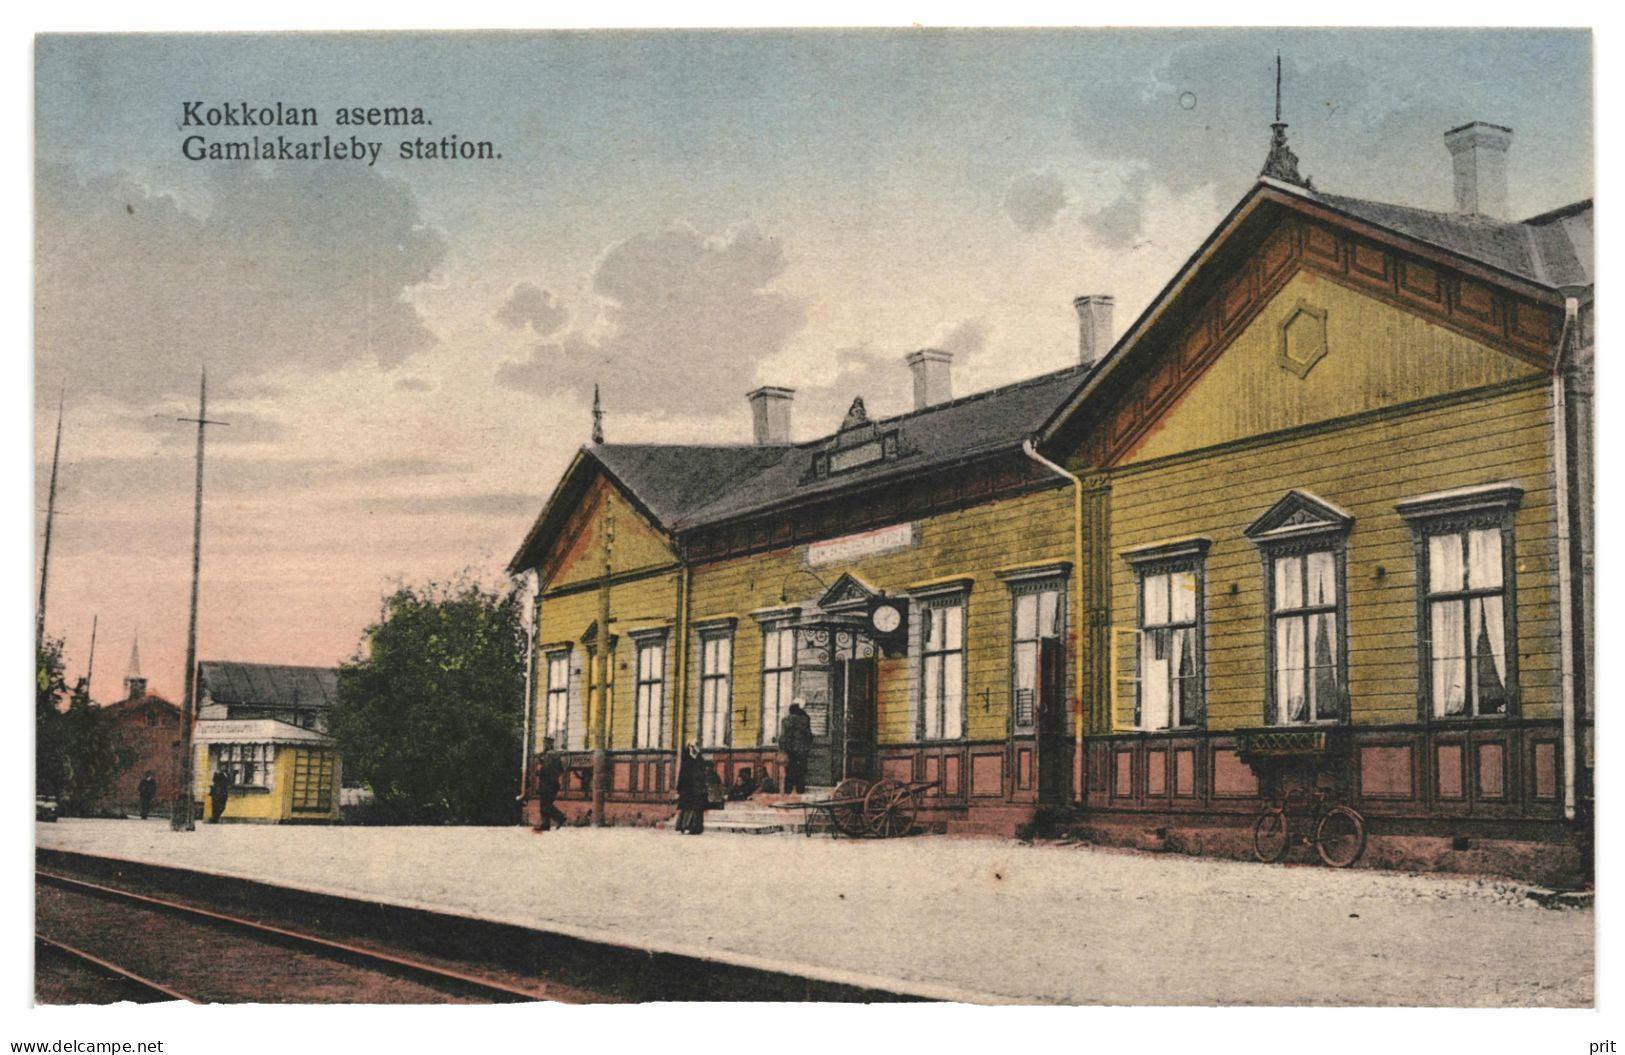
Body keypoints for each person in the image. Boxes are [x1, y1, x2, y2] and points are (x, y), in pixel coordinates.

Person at [778, 700, 814, 794]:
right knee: (801, 772)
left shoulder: (786, 720)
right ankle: (800, 792)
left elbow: (783, 737)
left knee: (789, 772)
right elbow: (809, 736)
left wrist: (782, 750)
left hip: (790, 751)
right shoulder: (805, 719)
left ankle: (788, 792)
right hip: (802, 751)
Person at [532, 737, 567, 833]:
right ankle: (545, 825)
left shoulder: (549, 755)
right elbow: (561, 770)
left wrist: (539, 772)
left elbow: (545, 770)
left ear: (549, 744)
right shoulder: (554, 755)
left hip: (548, 784)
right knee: (545, 804)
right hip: (553, 784)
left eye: (545, 744)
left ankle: (560, 818)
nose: (544, 745)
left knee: (545, 805)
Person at [675, 742, 710, 835]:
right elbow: (682, 775)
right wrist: (680, 788)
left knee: (696, 808)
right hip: (688, 789)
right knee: (688, 808)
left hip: (697, 789)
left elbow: (703, 772)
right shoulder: (687, 760)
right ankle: (684, 826)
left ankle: (695, 828)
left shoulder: (699, 759)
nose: (694, 750)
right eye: (692, 748)